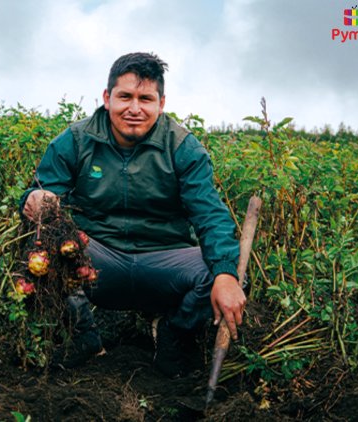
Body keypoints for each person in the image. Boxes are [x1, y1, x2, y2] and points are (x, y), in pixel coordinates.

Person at [21, 52, 245, 377]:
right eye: (125, 96)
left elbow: (210, 216)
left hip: (165, 262)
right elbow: (43, 189)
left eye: (146, 99)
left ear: (161, 103)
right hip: (98, 261)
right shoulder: (76, 140)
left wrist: (226, 275)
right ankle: (83, 337)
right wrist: (36, 198)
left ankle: (173, 335)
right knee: (43, 248)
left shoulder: (183, 147)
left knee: (227, 272)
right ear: (107, 97)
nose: (135, 109)